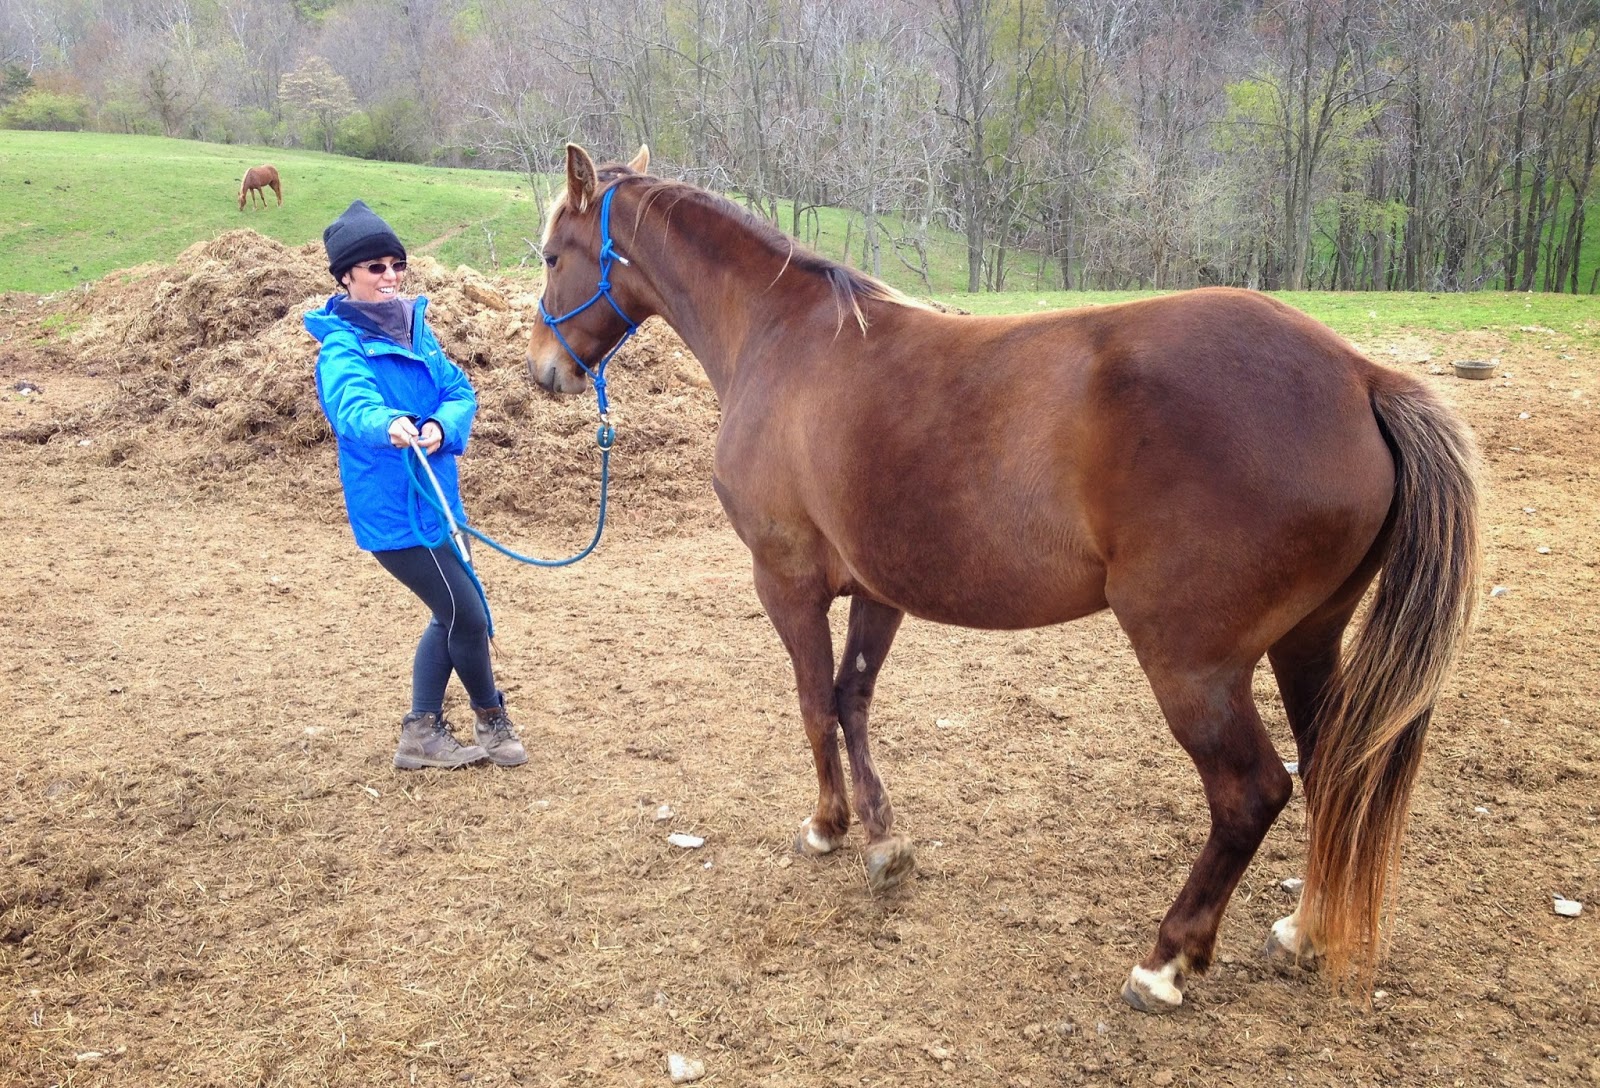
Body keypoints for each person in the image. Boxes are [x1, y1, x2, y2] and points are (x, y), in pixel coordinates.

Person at [305, 199, 527, 771]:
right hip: (393, 512)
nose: (390, 276)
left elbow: (458, 390)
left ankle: (422, 731)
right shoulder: (341, 346)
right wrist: (389, 424)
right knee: (468, 615)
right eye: (375, 267)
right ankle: (490, 716)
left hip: (440, 501)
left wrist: (440, 427)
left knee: (450, 612)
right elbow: (352, 404)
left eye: (396, 264)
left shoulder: (415, 330)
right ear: (345, 276)